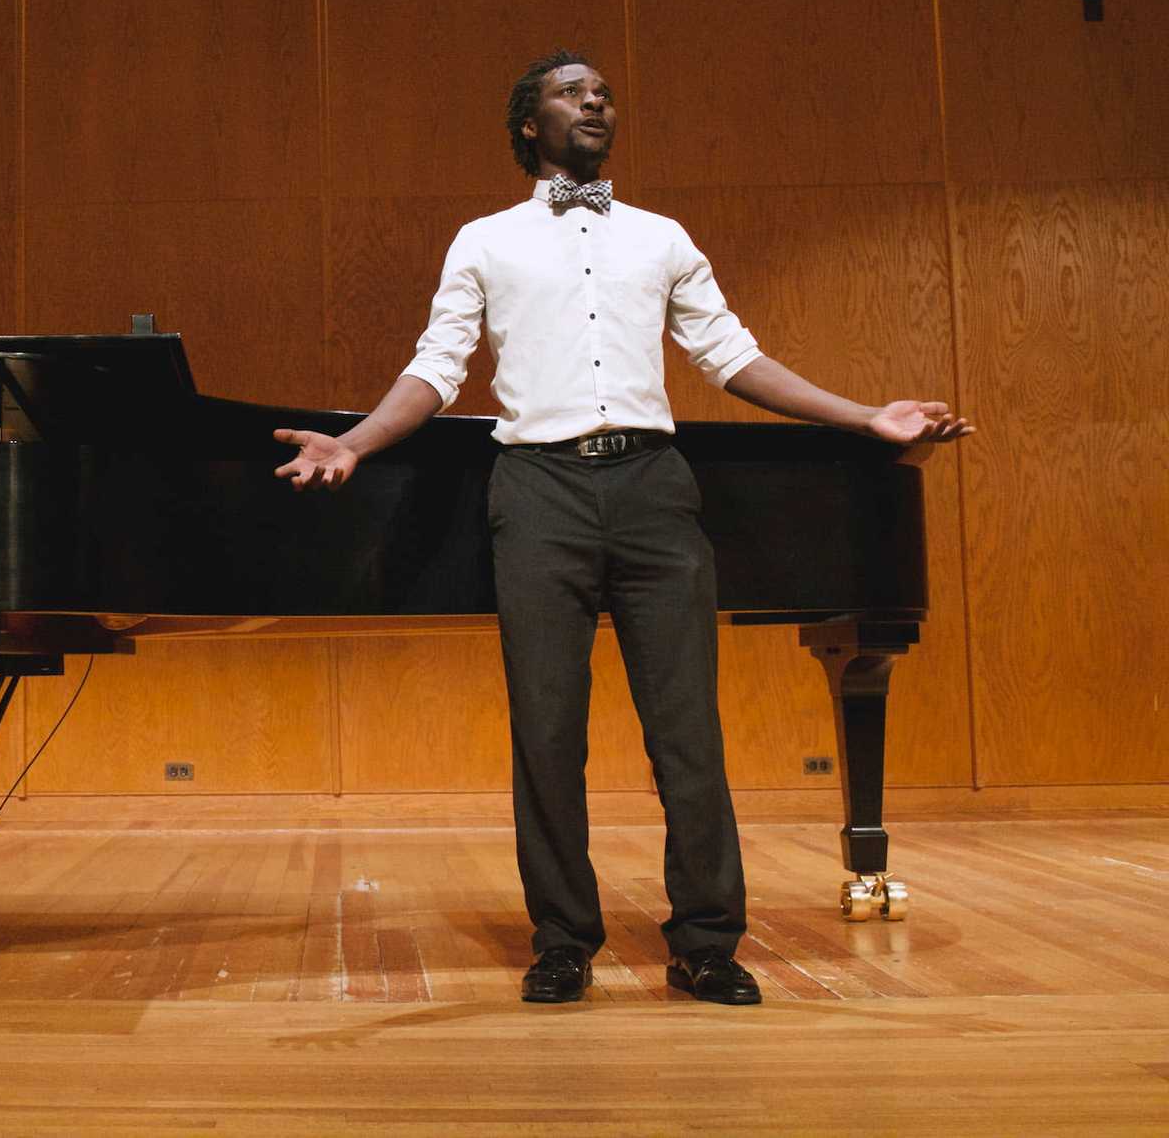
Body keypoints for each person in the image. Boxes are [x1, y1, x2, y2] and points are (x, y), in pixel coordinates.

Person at [274, 50, 973, 1005]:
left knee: (687, 729)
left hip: (652, 487)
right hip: (537, 490)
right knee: (549, 732)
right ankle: (563, 938)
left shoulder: (660, 236)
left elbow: (731, 354)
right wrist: (356, 444)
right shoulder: (484, 240)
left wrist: (863, 417)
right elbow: (438, 367)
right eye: (571, 90)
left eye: (603, 91)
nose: (595, 100)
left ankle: (708, 941)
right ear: (529, 123)